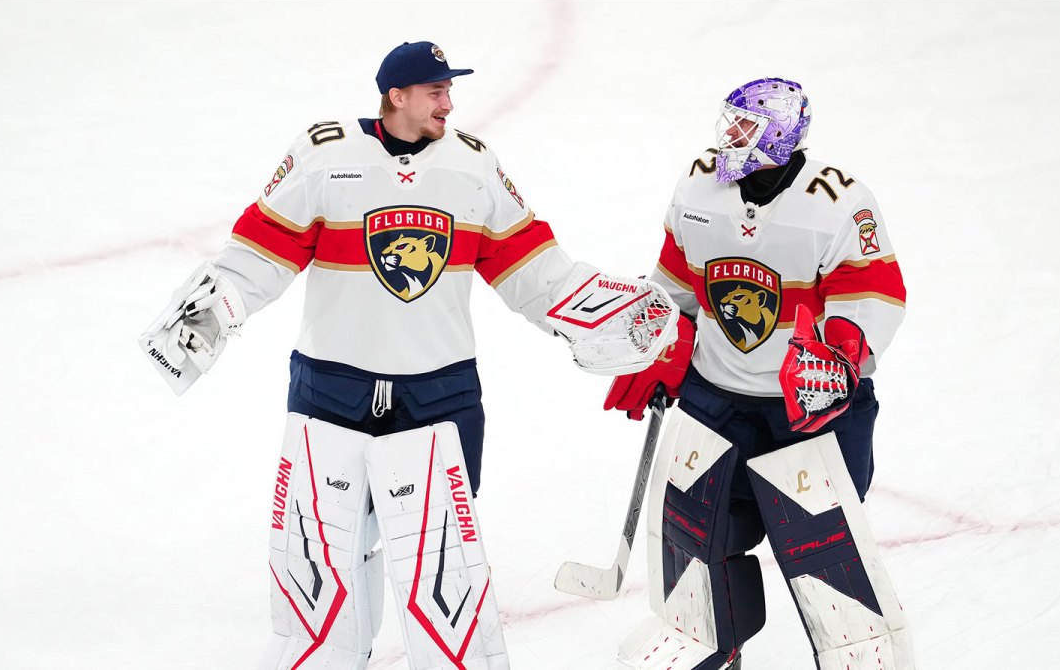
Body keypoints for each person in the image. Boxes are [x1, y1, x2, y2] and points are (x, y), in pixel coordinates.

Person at [138, 41, 675, 670]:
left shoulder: (472, 167)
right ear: (397, 96)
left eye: (450, 90)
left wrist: (608, 317)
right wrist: (214, 306)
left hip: (438, 392)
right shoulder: (324, 155)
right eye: (436, 91)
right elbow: (260, 252)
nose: (450, 103)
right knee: (323, 552)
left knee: (440, 558)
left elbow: (536, 271)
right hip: (331, 384)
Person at [603, 78, 914, 669]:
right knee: (699, 539)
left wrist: (842, 351)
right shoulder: (699, 184)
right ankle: (709, 646)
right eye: (730, 123)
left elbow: (873, 290)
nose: (730, 137)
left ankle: (858, 654)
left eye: (745, 126)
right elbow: (676, 281)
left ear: (781, 133)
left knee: (823, 548)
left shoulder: (838, 201)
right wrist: (663, 341)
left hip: (809, 407)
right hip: (716, 399)